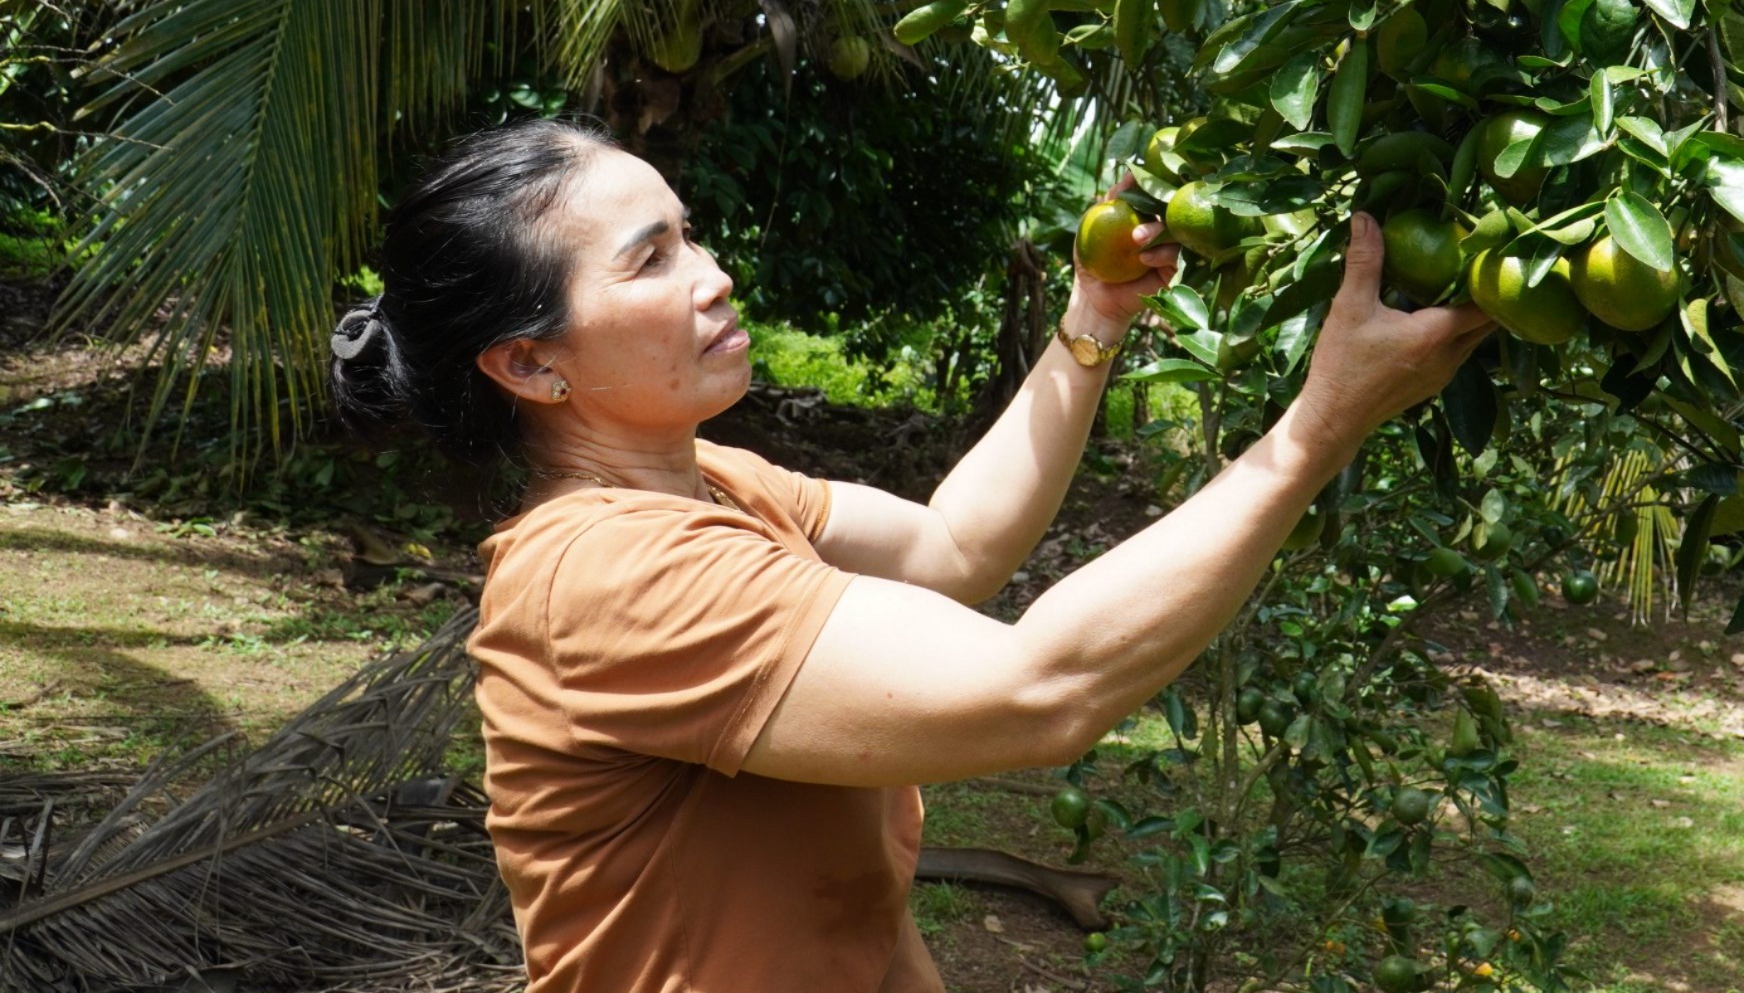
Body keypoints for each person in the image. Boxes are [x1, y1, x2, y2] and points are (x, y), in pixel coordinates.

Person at [327, 117, 1495, 993]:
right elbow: (1042, 689)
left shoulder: (712, 484)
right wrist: (1316, 429)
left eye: (689, 234)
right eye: (650, 261)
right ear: (531, 366)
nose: (713, 274)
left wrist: (1093, 317)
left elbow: (951, 546)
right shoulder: (608, 576)